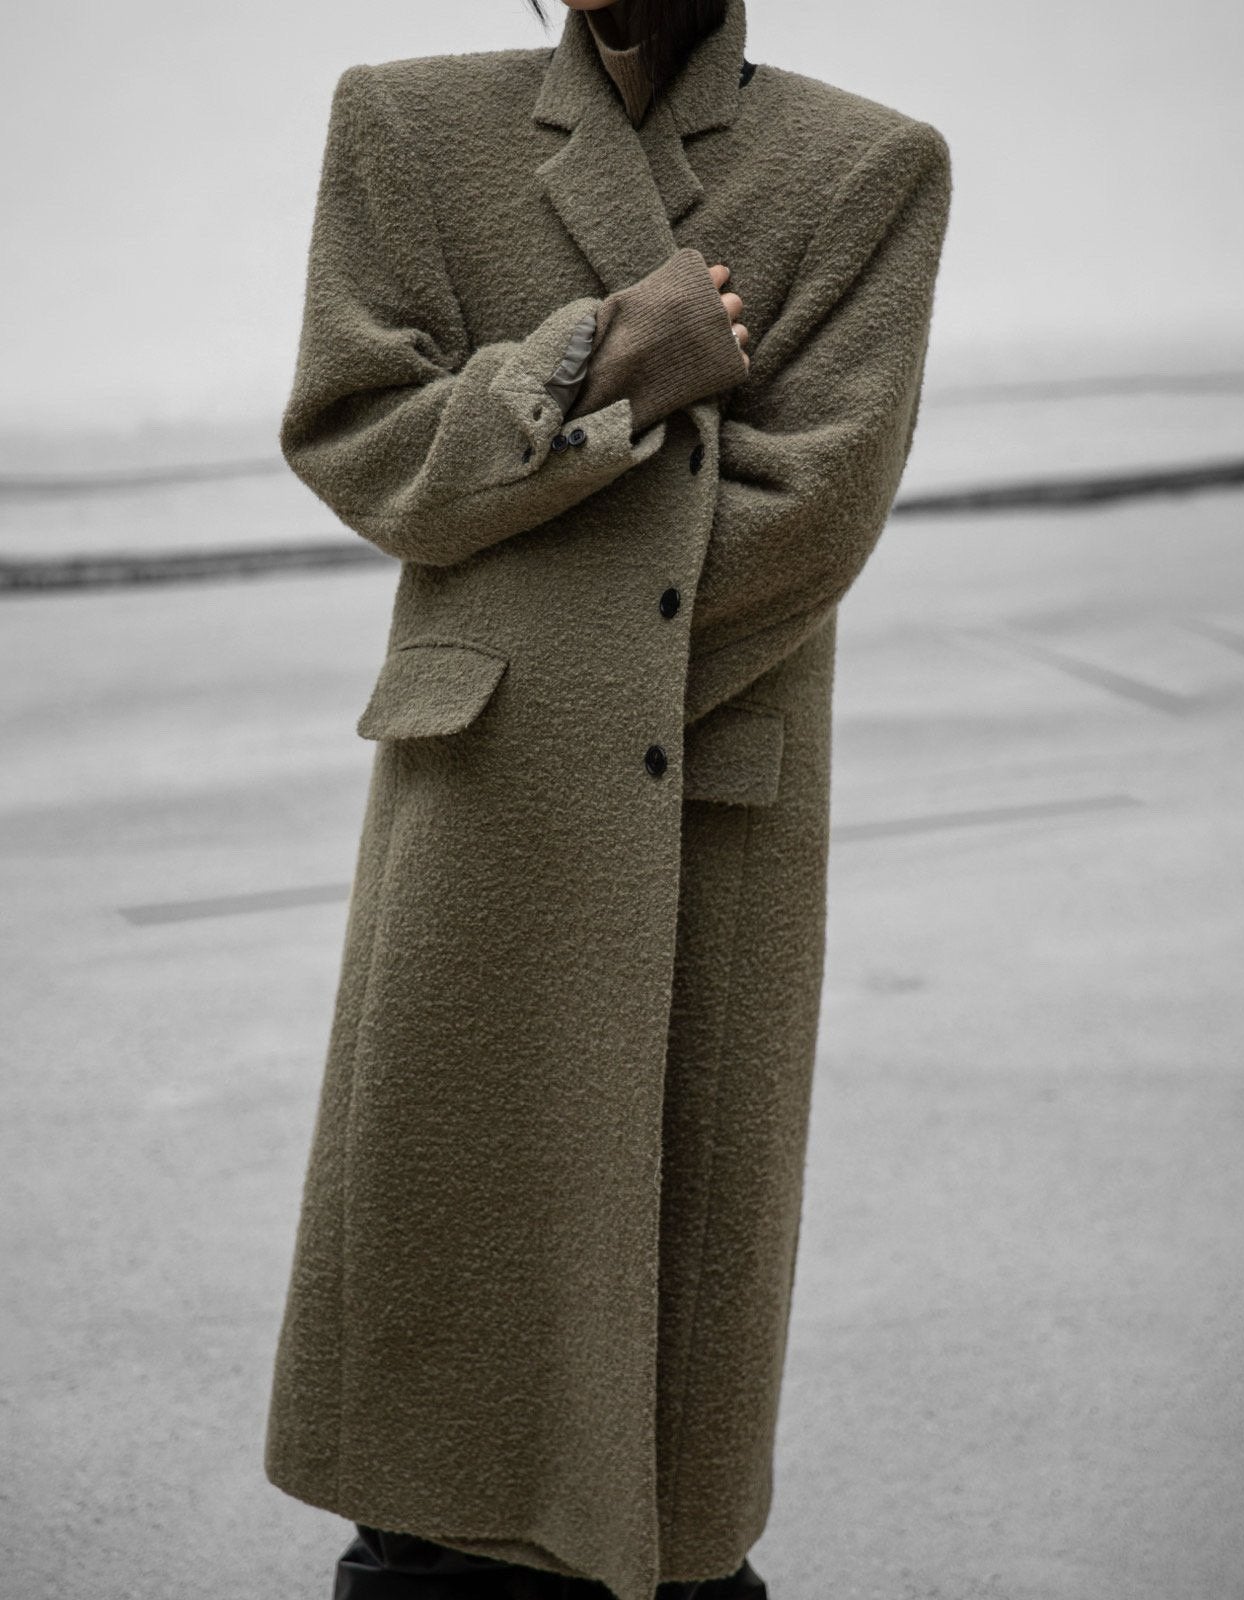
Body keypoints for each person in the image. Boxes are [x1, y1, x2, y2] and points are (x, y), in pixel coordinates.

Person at [263, 2, 952, 1597]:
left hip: (707, 805)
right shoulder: (404, 125)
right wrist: (608, 362)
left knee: (670, 1388)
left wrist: (513, 482)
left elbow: (808, 516)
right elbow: (360, 441)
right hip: (479, 798)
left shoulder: (865, 169)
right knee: (444, 1351)